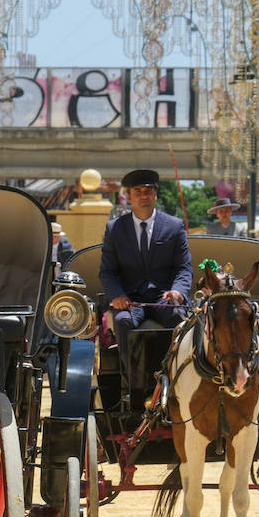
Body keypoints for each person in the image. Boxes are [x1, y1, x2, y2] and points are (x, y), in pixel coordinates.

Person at [98, 168, 193, 395]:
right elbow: (107, 272)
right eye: (138, 191)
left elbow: (184, 267)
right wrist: (118, 296)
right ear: (129, 197)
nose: (144, 195)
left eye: (149, 191)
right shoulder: (115, 229)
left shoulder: (174, 226)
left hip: (164, 299)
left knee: (180, 322)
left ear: (156, 195)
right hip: (131, 302)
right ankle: (134, 385)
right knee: (123, 322)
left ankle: (176, 382)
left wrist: (178, 292)